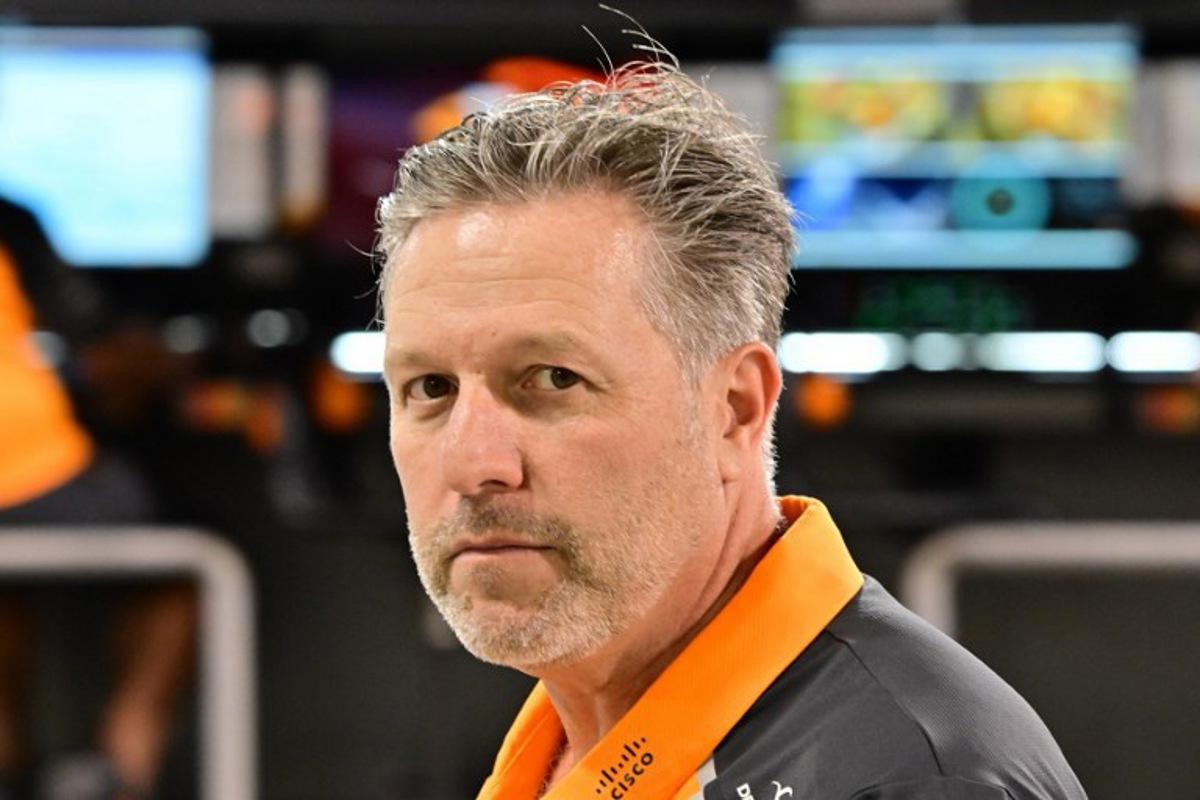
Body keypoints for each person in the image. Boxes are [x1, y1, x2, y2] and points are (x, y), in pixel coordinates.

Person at [374, 55, 1087, 800]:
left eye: (554, 379)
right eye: (429, 388)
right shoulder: (572, 736)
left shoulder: (919, 780)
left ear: (736, 407)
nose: (473, 461)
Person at [0, 197, 197, 800]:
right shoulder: (8, 221)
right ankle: (125, 761)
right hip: (25, 464)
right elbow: (107, 354)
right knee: (187, 559)